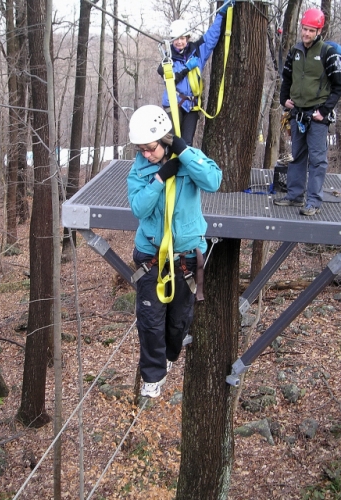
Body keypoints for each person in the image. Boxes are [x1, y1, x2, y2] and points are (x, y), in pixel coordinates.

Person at [127, 105, 222, 398]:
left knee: (179, 320)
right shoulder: (141, 170)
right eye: (141, 149)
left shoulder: (187, 160)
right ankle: (152, 377)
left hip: (185, 257)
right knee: (151, 321)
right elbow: (138, 208)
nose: (146, 154)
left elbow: (213, 181)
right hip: (152, 256)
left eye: (151, 148)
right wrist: (159, 179)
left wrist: (185, 153)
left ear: (165, 140)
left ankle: (170, 355)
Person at [274, 8, 341, 216]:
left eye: (311, 30)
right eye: (304, 29)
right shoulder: (295, 52)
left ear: (318, 31)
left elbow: (338, 85)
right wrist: (284, 100)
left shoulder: (327, 53)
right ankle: (294, 196)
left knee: (318, 159)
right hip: (298, 113)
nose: (306, 34)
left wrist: (324, 110)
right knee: (297, 156)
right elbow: (287, 78)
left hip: (317, 115)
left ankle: (313, 201)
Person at [157, 0, 232, 146]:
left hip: (191, 105)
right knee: (171, 142)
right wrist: (186, 68)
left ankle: (185, 168)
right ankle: (168, 167)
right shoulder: (167, 59)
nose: (179, 42)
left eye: (182, 38)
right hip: (173, 103)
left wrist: (222, 14)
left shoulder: (197, 52)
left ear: (187, 38)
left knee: (186, 144)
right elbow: (170, 80)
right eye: (176, 39)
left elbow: (212, 36)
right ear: (172, 40)